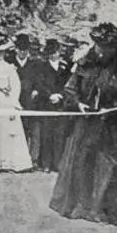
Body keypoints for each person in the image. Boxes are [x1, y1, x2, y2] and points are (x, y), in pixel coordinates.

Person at [49, 22, 117, 225]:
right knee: (83, 163)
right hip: (87, 124)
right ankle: (82, 207)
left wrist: (112, 109)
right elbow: (71, 88)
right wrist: (78, 104)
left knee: (110, 167)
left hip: (114, 126)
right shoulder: (85, 62)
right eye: (98, 47)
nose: (100, 52)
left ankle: (106, 210)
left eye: (105, 48)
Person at [0, 37, 33, 172]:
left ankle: (11, 163)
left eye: (1, 52)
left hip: (6, 100)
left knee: (9, 132)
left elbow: (16, 86)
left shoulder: (9, 68)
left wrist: (13, 102)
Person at [37, 39, 72, 172]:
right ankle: (46, 164)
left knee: (60, 135)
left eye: (56, 52)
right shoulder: (42, 67)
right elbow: (40, 84)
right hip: (47, 105)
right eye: (51, 53)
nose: (54, 55)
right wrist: (49, 95)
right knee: (46, 135)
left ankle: (58, 163)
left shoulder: (66, 67)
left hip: (61, 106)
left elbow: (70, 85)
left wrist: (61, 96)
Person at [12, 33, 46, 168]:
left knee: (35, 132)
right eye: (20, 49)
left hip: (32, 102)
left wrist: (36, 90)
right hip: (16, 101)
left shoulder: (35, 64)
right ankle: (21, 160)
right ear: (16, 49)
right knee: (19, 132)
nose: (22, 52)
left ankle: (34, 160)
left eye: (25, 49)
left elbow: (40, 81)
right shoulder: (11, 63)